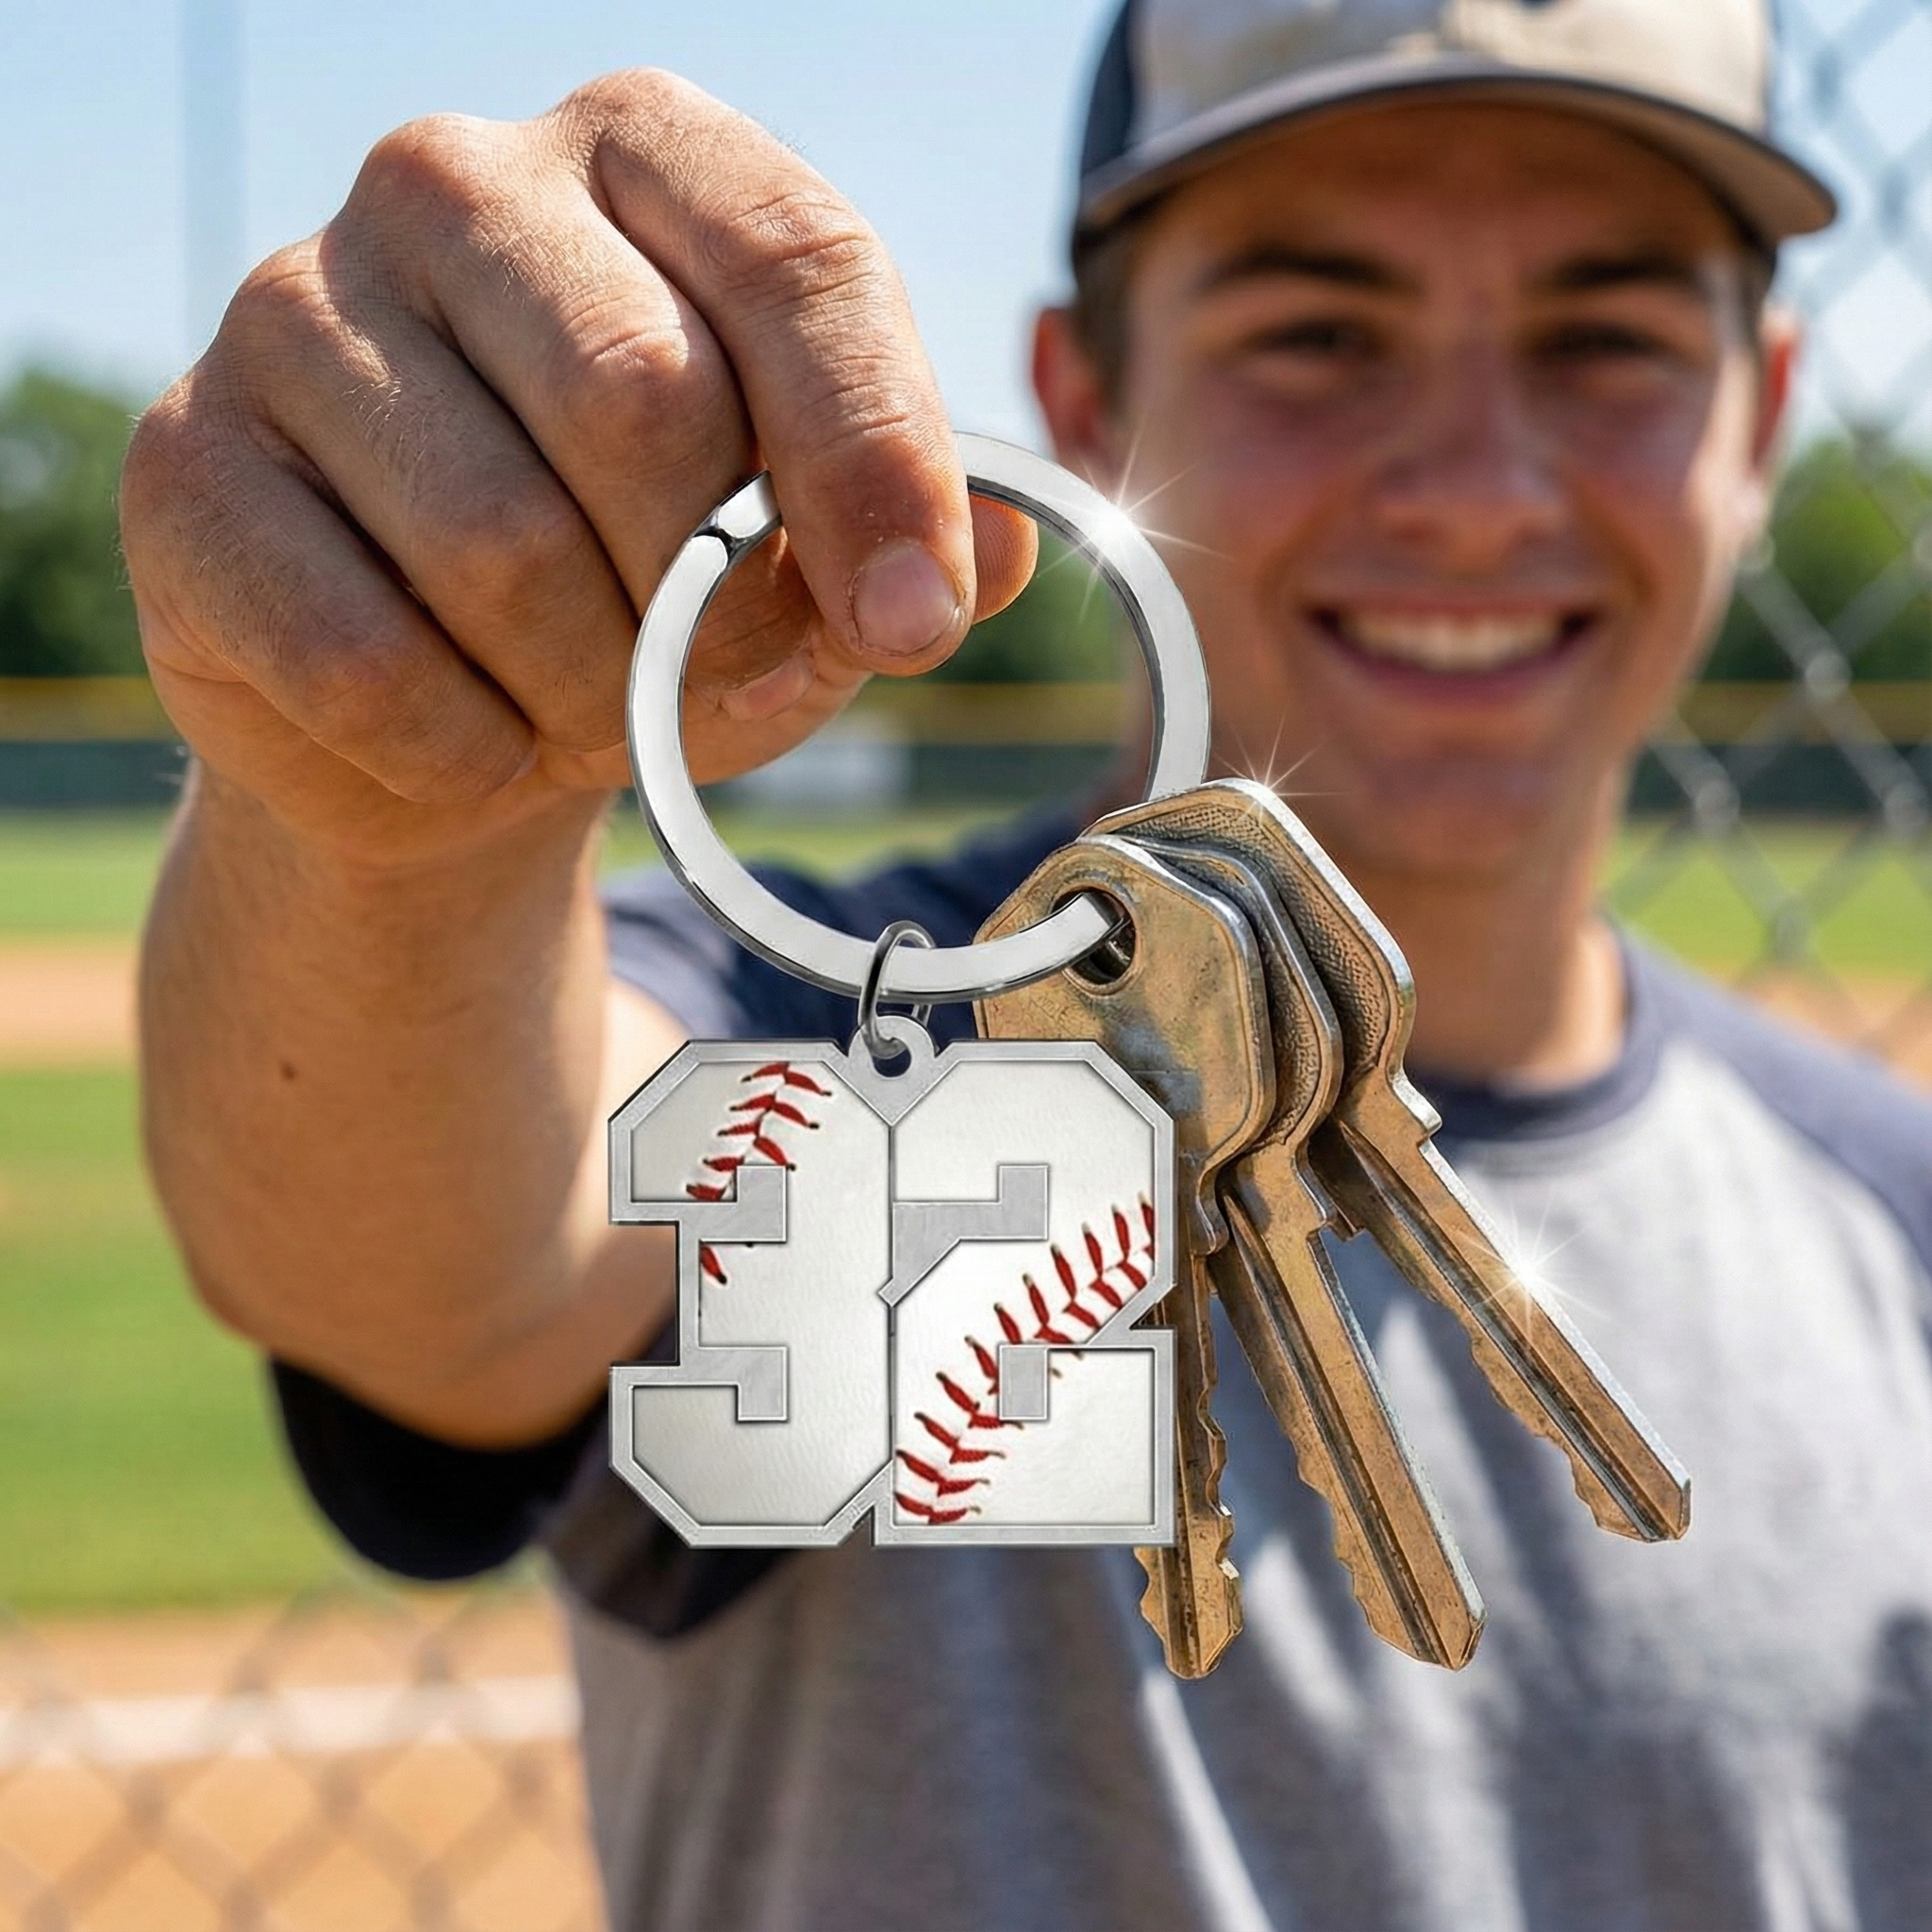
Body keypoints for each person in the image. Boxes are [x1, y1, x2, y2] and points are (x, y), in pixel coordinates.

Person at [123, 1, 1932, 1926]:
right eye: (1317, 334)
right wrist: (391, 828)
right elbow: (437, 1270)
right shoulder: (842, 1053)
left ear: (1759, 414)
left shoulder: (1889, 1224)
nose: (1473, 485)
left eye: (1607, 341)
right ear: (1083, 409)